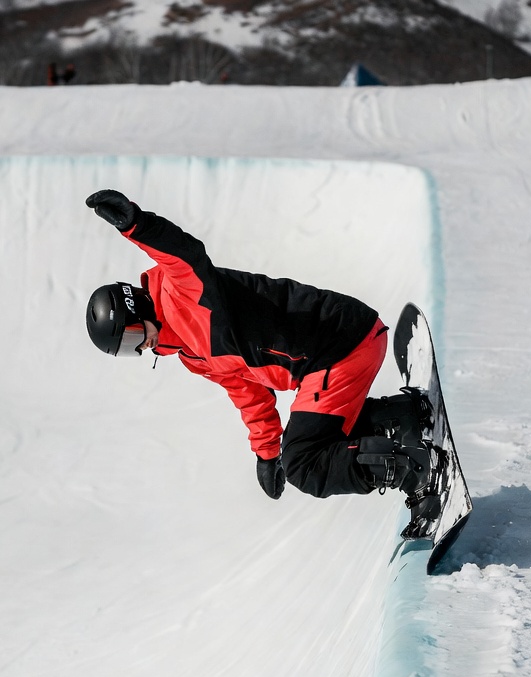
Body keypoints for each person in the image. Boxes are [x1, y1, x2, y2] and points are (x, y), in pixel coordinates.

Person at [84, 189, 439, 537]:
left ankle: (414, 470)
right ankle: (402, 417)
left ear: (135, 308)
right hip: (330, 357)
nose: (141, 347)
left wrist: (136, 225)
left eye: (131, 337)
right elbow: (247, 393)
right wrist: (267, 454)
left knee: (305, 463)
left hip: (338, 343)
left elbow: (183, 253)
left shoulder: (183, 292)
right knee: (315, 441)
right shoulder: (191, 355)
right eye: (129, 350)